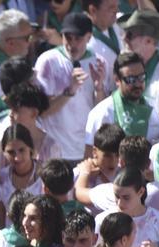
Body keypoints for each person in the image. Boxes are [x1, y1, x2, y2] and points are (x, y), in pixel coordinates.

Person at [34, 13, 107, 163]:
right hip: (54, 152)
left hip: (86, 151)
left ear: (89, 37)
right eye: (68, 37)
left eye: (78, 38)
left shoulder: (99, 62)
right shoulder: (47, 61)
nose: (72, 44)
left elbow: (100, 113)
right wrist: (69, 91)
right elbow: (42, 112)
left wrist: (99, 89)